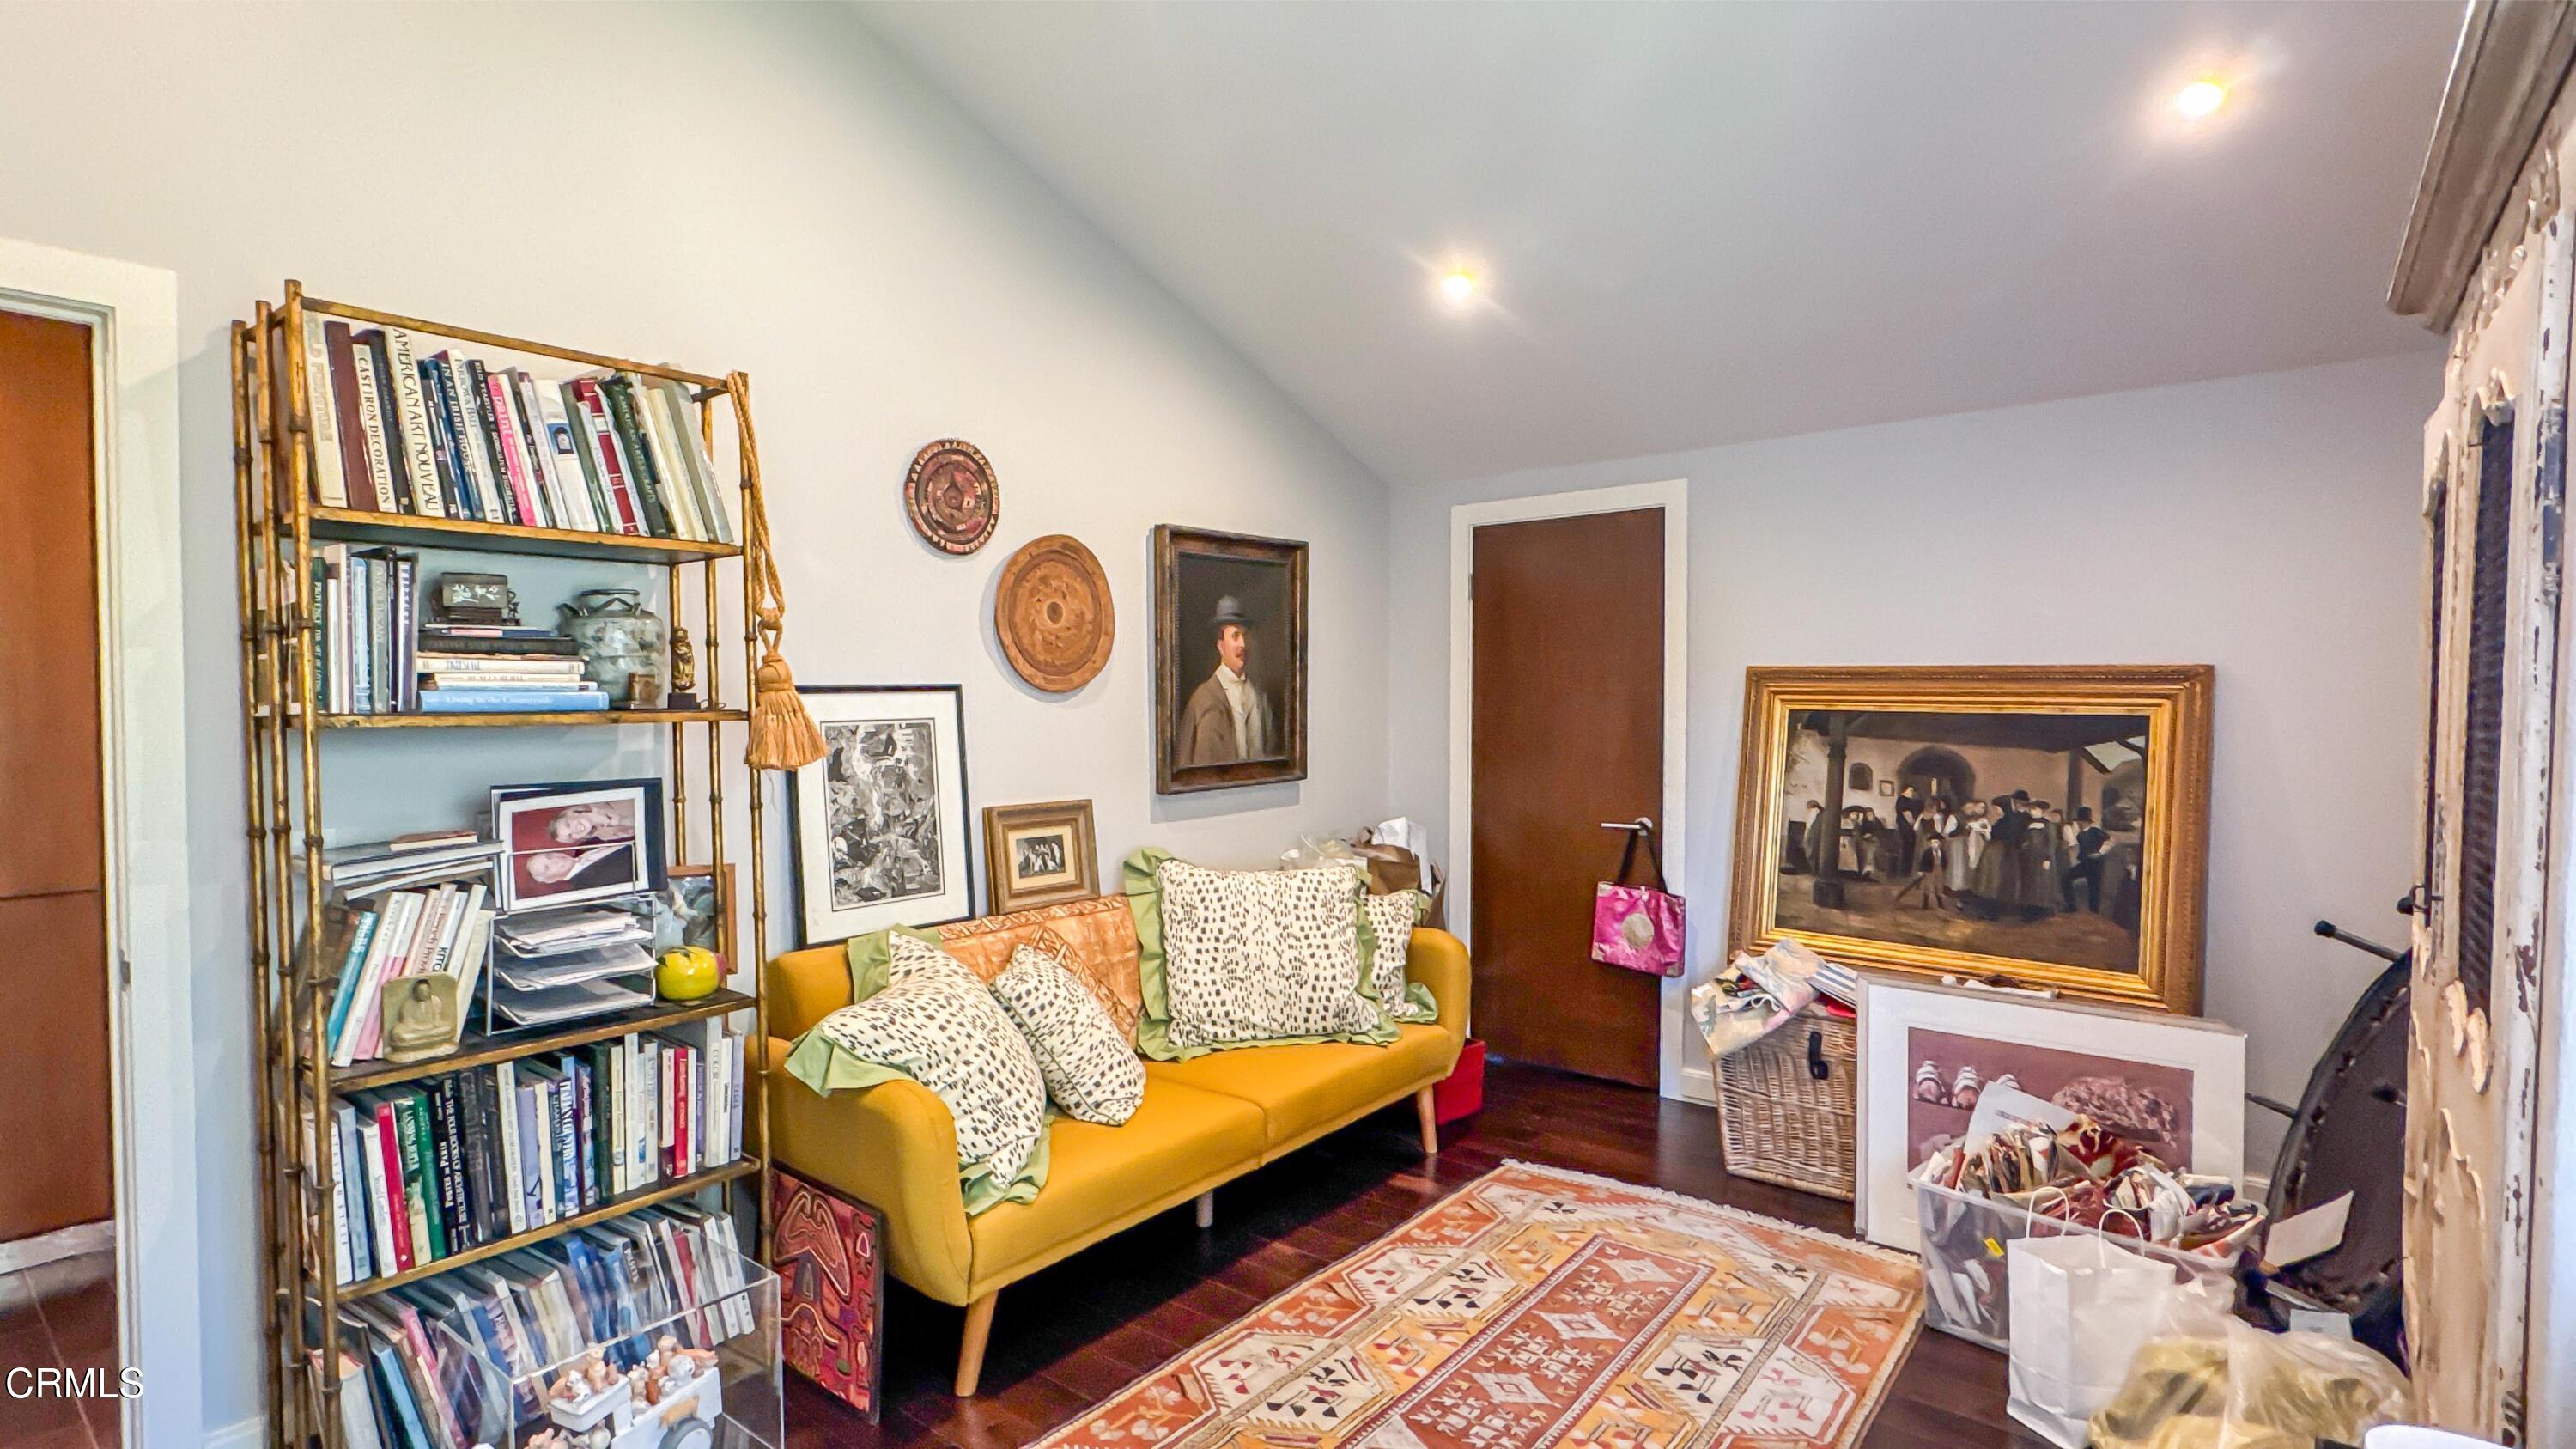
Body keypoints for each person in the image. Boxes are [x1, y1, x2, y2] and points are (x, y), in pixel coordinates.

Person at [1175, 594, 1277, 766]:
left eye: (1245, 636)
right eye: (1235, 636)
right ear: (1221, 645)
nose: (1242, 644)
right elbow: (1186, 761)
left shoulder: (1259, 698)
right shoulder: (1202, 699)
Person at [2065, 807, 2110, 912]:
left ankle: (2094, 912)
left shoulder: (2095, 831)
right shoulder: (2080, 835)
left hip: (2095, 864)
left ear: (2085, 822)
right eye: (2078, 822)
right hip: (2084, 863)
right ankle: (2071, 905)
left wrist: (2100, 853)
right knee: (2067, 877)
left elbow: (2110, 840)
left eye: (2080, 822)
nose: (2079, 824)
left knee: (2094, 887)